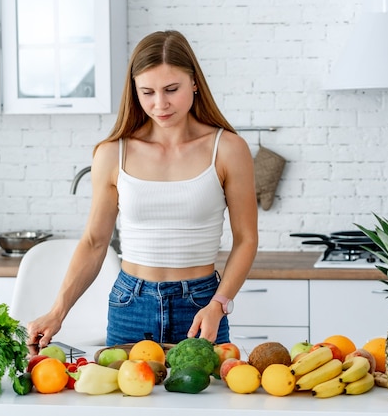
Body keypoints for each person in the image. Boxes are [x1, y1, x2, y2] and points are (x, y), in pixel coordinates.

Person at [27, 30, 258, 348]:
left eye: (171, 89)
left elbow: (246, 239)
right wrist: (57, 312)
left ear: (194, 82)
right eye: (147, 92)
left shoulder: (228, 149)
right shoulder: (112, 153)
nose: (160, 104)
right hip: (130, 304)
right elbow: (95, 242)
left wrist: (219, 304)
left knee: (207, 399)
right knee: (128, 398)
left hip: (201, 304)